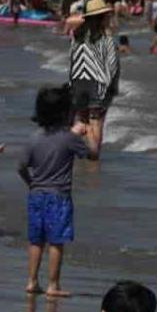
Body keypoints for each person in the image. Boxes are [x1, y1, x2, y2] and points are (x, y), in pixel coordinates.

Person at [18, 85, 99, 297]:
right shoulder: (69, 138)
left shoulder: (34, 137)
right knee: (56, 241)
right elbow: (93, 154)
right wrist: (88, 132)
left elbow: (21, 166)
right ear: (66, 113)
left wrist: (31, 183)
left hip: (36, 195)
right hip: (59, 197)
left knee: (36, 240)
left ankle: (32, 280)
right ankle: (53, 284)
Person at [69, 0, 119, 157]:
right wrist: (111, 89)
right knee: (96, 122)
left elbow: (72, 61)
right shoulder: (106, 39)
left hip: (77, 84)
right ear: (102, 17)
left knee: (82, 120)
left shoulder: (76, 37)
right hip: (98, 85)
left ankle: (70, 144)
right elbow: (112, 66)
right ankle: (93, 162)